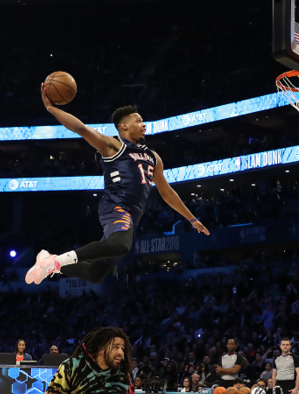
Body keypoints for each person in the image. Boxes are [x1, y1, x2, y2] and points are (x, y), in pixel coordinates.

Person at [25, 95, 210, 286]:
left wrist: (192, 219)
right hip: (115, 205)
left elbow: (167, 192)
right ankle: (55, 262)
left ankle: (50, 261)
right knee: (122, 246)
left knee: (95, 274)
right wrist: (51, 108)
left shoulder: (153, 157)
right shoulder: (114, 146)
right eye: (138, 121)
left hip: (132, 216)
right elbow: (80, 128)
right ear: (124, 126)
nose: (144, 124)